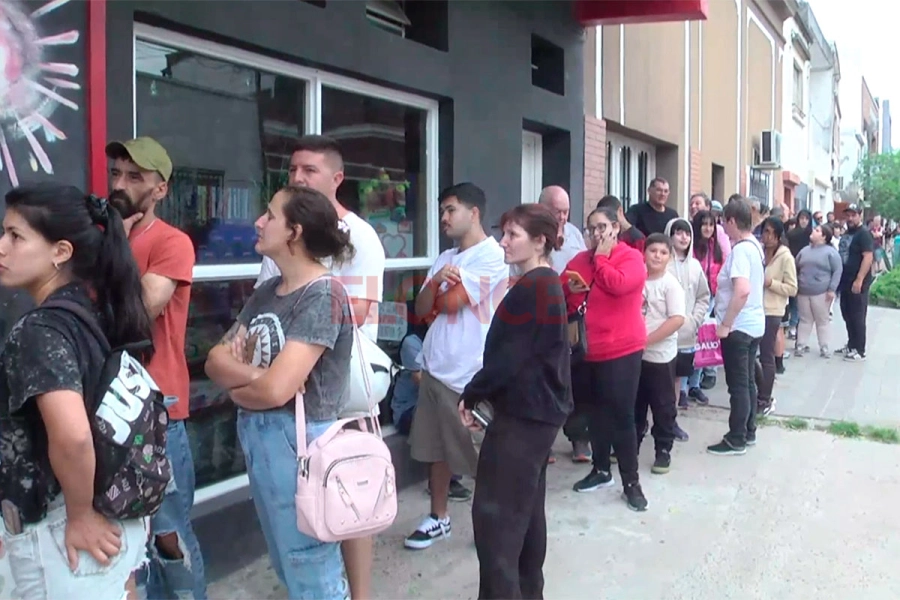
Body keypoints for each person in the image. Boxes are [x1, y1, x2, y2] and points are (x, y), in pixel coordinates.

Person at [0, 183, 153, 598]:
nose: (2, 246)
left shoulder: (40, 330)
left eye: (15, 236)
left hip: (65, 533)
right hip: (114, 515)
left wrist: (81, 515)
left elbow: (72, 435)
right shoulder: (95, 311)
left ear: (61, 252)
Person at [204, 186, 354, 599]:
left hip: (300, 445)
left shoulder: (323, 294)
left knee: (313, 570)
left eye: (269, 215)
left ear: (295, 232)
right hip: (263, 440)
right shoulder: (269, 291)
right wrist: (254, 379)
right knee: (288, 562)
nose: (258, 221)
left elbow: (276, 391)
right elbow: (214, 361)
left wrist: (242, 384)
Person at [254, 135, 387, 597]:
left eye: (309, 171)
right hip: (285, 394)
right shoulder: (284, 239)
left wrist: (293, 332)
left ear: (337, 178)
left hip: (337, 389)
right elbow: (260, 315)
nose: (297, 178)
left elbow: (362, 308)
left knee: (348, 492)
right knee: (307, 507)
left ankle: (359, 592)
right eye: (292, 170)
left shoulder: (362, 237)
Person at [106, 137, 207, 599]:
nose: (121, 184)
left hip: (158, 406)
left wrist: (113, 241)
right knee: (124, 535)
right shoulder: (103, 238)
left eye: (135, 177)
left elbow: (139, 312)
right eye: (117, 174)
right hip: (105, 404)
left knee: (168, 532)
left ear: (160, 189)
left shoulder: (171, 242)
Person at [459, 203, 570, 599]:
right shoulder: (544, 283)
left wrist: (474, 394)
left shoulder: (536, 286)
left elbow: (511, 357)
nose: (503, 242)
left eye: (513, 235)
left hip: (524, 418)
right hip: (534, 414)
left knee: (497, 525)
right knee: (525, 517)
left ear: (540, 241)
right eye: (503, 233)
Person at [405, 183, 508, 550]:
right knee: (436, 451)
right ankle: (439, 517)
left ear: (473, 213)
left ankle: (496, 525)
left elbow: (450, 304)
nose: (444, 218)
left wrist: (439, 291)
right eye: (442, 211)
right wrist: (436, 280)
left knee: (481, 454)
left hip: (469, 373)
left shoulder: (492, 256)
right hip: (436, 367)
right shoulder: (445, 257)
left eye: (451, 210)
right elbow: (420, 308)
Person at [564, 207, 648, 511]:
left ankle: (631, 482)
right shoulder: (579, 260)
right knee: (593, 413)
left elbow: (619, 284)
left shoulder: (630, 257)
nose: (596, 234)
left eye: (602, 227)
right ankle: (601, 470)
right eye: (591, 229)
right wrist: (569, 287)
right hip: (588, 349)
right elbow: (565, 290)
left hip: (622, 349)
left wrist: (600, 258)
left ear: (615, 228)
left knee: (622, 416)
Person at [707, 197, 765, 456]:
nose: (723, 228)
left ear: (731, 221)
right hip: (753, 324)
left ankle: (736, 437)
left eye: (723, 223)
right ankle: (749, 430)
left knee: (738, 385)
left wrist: (725, 324)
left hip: (739, 327)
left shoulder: (741, 250)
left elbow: (741, 290)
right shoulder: (755, 245)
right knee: (748, 382)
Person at [538, 186, 588, 462]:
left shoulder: (574, 234)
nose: (562, 216)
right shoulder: (528, 232)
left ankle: (579, 438)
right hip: (539, 317)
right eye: (556, 210)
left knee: (575, 377)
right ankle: (543, 443)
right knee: (545, 380)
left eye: (566, 211)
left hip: (570, 316)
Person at [635, 234, 685, 474]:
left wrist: (647, 340)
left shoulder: (670, 285)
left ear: (670, 257)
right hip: (635, 355)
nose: (657, 256)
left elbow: (676, 319)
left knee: (663, 406)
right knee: (635, 404)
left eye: (663, 252)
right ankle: (630, 445)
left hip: (660, 356)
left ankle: (663, 450)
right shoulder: (637, 280)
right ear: (644, 253)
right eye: (653, 250)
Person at [665, 218, 710, 419]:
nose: (684, 237)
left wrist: (694, 320)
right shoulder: (661, 263)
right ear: (669, 235)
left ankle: (671, 421)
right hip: (662, 335)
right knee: (659, 381)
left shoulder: (695, 266)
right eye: (678, 232)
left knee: (677, 381)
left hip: (686, 336)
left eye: (687, 233)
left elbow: (703, 296)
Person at [758, 218, 797, 417]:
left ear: (779, 235)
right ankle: (759, 394)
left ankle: (765, 398)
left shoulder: (785, 257)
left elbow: (792, 288)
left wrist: (770, 283)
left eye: (770, 233)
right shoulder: (759, 251)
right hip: (756, 309)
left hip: (772, 311)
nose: (766, 236)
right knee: (754, 355)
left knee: (767, 355)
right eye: (764, 231)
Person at [795, 224, 842, 358]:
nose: (813, 232)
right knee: (805, 319)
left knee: (822, 320)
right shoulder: (804, 251)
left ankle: (824, 346)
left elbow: (837, 270)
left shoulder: (830, 253)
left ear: (824, 236)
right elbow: (796, 266)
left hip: (821, 292)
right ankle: (800, 345)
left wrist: (832, 289)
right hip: (803, 291)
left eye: (817, 230)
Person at [691, 209, 724, 396]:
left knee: (704, 339)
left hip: (711, 298)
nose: (708, 228)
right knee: (692, 342)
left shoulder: (715, 246)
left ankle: (695, 384)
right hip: (694, 298)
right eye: (704, 224)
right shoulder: (693, 247)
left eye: (711, 224)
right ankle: (685, 387)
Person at [836, 204, 874, 362]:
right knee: (847, 313)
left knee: (857, 315)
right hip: (845, 280)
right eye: (848, 215)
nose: (850, 218)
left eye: (853, 215)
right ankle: (851, 344)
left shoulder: (864, 234)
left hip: (857, 281)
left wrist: (859, 279)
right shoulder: (847, 233)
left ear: (860, 215)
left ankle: (860, 349)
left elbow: (868, 257)